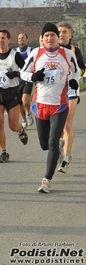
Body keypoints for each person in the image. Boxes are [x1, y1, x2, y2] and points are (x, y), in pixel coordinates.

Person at [20, 23, 80, 193]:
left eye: (52, 35)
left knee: (53, 141)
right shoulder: (36, 53)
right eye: (46, 35)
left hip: (59, 105)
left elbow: (76, 71)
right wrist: (33, 76)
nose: (50, 38)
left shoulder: (67, 54)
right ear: (42, 38)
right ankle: (58, 151)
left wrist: (74, 82)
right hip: (39, 104)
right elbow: (23, 72)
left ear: (57, 38)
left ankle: (46, 180)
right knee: (44, 144)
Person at [0, 29, 28, 164]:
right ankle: (3, 152)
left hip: (12, 92)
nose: (0, 41)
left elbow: (26, 72)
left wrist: (15, 74)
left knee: (13, 125)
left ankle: (21, 131)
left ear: (9, 40)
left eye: (3, 38)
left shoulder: (15, 55)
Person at [56, 21, 86, 174]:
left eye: (64, 32)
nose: (61, 34)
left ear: (70, 35)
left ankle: (66, 159)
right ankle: (61, 145)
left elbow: (83, 68)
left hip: (71, 90)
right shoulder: (51, 51)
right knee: (57, 125)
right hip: (55, 91)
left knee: (67, 124)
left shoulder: (75, 50)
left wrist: (78, 76)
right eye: (59, 31)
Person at [16, 33, 34, 129]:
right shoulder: (14, 51)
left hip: (27, 78)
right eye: (19, 38)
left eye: (23, 38)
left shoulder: (31, 50)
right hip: (17, 80)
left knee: (25, 101)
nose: (21, 39)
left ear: (27, 40)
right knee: (19, 103)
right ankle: (23, 119)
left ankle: (28, 113)